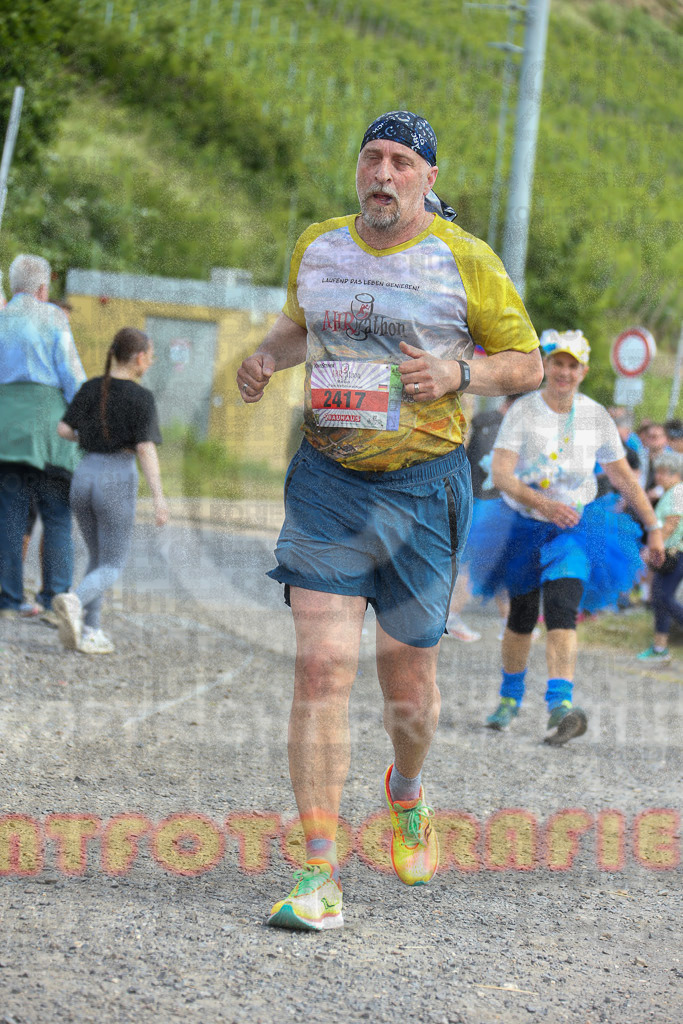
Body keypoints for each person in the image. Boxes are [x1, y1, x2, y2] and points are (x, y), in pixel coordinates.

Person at [236, 110, 544, 931]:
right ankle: (316, 872)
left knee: (407, 685)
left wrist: (456, 370)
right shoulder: (318, 245)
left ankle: (405, 793)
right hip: (328, 483)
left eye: (401, 162)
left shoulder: (466, 260)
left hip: (422, 490)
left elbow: (527, 363)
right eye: (371, 156)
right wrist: (269, 355)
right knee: (321, 669)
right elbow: (299, 325)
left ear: (427, 179)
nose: (382, 173)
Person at [465, 329, 665, 743]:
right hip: (522, 524)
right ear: (546, 365)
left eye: (573, 365)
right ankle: (509, 697)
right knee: (521, 617)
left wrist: (655, 528)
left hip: (575, 529)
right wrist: (542, 504)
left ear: (583, 372)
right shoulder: (523, 412)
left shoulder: (595, 416)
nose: (564, 371)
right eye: (557, 362)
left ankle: (561, 706)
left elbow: (624, 478)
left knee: (561, 607)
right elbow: (500, 475)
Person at [54, 327, 168, 654]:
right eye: (152, 355)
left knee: (98, 559)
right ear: (140, 358)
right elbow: (145, 449)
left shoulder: (91, 387)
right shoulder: (141, 397)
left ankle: (90, 631)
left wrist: (90, 438)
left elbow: (64, 429)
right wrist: (159, 497)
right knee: (113, 564)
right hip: (116, 478)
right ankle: (74, 602)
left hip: (84, 474)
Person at [0, 254, 86, 619]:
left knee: (9, 514)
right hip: (50, 427)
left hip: (6, 426)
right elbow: (71, 374)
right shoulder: (54, 317)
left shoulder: (1, 318)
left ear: (12, 285)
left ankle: (9, 599)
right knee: (56, 513)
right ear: (43, 288)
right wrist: (83, 421)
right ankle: (56, 600)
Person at [445, 393, 522, 642]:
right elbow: (494, 469)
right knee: (475, 563)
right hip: (490, 504)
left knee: (494, 563)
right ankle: (451, 618)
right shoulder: (505, 427)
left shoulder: (481, 420)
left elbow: (463, 458)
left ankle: (509, 623)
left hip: (476, 500)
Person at [637, 451, 683, 663]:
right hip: (668, 552)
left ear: (673, 473)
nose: (657, 477)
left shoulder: (677, 492)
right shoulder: (670, 492)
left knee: (664, 597)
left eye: (661, 473)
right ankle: (659, 647)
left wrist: (653, 547)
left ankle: (660, 647)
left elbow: (671, 524)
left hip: (675, 552)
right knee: (658, 597)